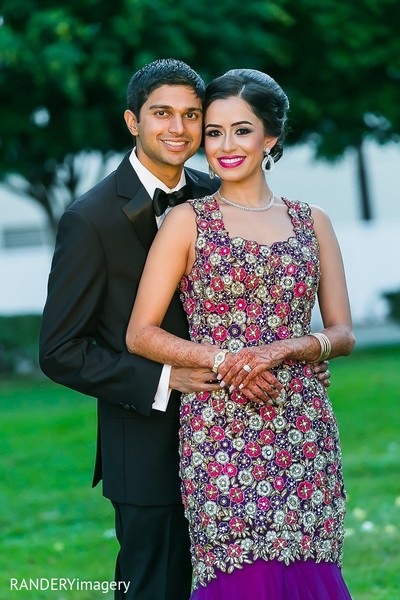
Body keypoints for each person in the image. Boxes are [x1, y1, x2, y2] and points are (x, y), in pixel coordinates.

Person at [126, 68, 355, 599]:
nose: (225, 145)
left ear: (270, 137)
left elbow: (341, 331)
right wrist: (234, 362)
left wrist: (290, 348)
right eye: (214, 131)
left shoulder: (312, 221)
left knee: (308, 569)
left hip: (303, 425)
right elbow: (141, 332)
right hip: (221, 430)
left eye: (242, 130)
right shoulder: (187, 221)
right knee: (240, 575)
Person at [39, 59, 221, 600]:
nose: (178, 128)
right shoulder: (90, 218)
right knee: (153, 588)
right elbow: (61, 351)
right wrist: (169, 379)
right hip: (145, 447)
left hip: (233, 438)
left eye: (192, 115)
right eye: (161, 113)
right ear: (131, 121)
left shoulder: (219, 197)